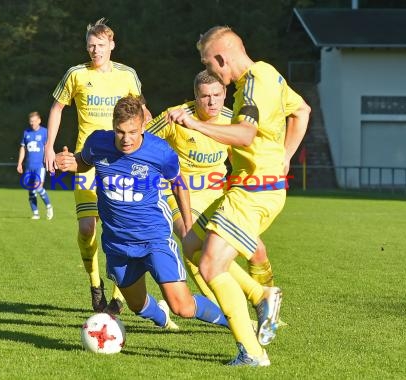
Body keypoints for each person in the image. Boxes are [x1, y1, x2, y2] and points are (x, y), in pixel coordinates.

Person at [169, 26, 311, 366]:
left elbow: (245, 135)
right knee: (193, 243)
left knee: (209, 265)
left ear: (221, 58)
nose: (212, 72)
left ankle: (252, 351)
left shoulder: (253, 85)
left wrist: (195, 124)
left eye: (210, 63)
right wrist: (286, 155)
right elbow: (302, 110)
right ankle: (260, 295)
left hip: (254, 191)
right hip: (253, 185)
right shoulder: (269, 74)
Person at [55, 95, 229, 333]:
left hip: (153, 237)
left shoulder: (160, 151)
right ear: (113, 125)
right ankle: (163, 321)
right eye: (120, 132)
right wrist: (68, 162)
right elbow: (84, 162)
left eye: (133, 132)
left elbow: (178, 184)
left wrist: (188, 225)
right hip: (117, 242)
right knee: (137, 305)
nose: (126, 139)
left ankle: (234, 321)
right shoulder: (98, 142)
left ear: (143, 126)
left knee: (183, 307)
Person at [44, 18, 151, 315]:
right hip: (86, 162)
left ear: (111, 45)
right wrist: (48, 147)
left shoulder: (127, 76)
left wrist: (151, 147)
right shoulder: (76, 75)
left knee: (121, 230)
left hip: (122, 163)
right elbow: (56, 108)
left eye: (100, 45)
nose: (95, 50)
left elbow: (143, 113)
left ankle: (117, 296)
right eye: (91, 45)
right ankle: (95, 286)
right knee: (87, 228)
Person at [146, 70, 273, 304]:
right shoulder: (175, 117)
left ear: (225, 93)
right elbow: (140, 140)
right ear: (195, 96)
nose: (211, 101)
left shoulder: (233, 120)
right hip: (180, 194)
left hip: (217, 195)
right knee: (190, 239)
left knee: (258, 251)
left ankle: (270, 304)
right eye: (205, 96)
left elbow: (241, 159)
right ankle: (229, 305)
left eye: (216, 94)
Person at [17, 112, 53, 220]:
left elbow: (48, 148)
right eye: (31, 121)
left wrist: (49, 161)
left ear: (39, 121)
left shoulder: (44, 132)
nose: (32, 123)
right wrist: (19, 163)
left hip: (40, 166)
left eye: (34, 121)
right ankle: (36, 213)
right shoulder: (26, 133)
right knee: (31, 190)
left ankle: (49, 206)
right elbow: (23, 148)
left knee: (38, 186)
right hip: (29, 166)